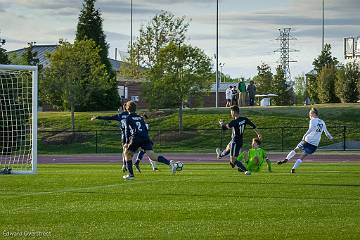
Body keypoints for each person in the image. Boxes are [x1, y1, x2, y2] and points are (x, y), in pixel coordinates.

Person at [122, 101, 180, 180]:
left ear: (127, 108)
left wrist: (126, 142)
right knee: (152, 156)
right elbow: (145, 129)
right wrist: (147, 140)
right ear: (135, 109)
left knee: (127, 154)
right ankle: (169, 163)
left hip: (136, 138)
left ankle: (131, 175)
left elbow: (126, 131)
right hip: (145, 137)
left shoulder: (127, 118)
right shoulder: (140, 118)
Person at [277, 107, 334, 173]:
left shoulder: (312, 120)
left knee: (296, 149)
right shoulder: (322, 122)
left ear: (313, 113)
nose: (309, 115)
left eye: (310, 114)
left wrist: (304, 135)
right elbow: (326, 132)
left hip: (307, 140)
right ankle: (293, 169)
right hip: (315, 144)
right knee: (303, 156)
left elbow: (310, 129)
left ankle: (286, 160)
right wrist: (331, 138)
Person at [216, 105, 261, 172]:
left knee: (233, 160)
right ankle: (220, 155)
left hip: (235, 142)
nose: (230, 113)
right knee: (228, 148)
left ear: (234, 112)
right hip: (239, 141)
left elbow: (225, 128)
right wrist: (259, 134)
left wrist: (221, 123)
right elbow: (253, 126)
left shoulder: (234, 122)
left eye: (231, 112)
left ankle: (246, 170)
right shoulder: (244, 119)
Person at [91, 104, 129, 172]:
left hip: (125, 136)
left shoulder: (120, 115)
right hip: (134, 136)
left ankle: (124, 165)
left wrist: (97, 117)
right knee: (134, 151)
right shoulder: (132, 115)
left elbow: (108, 117)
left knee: (125, 151)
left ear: (124, 108)